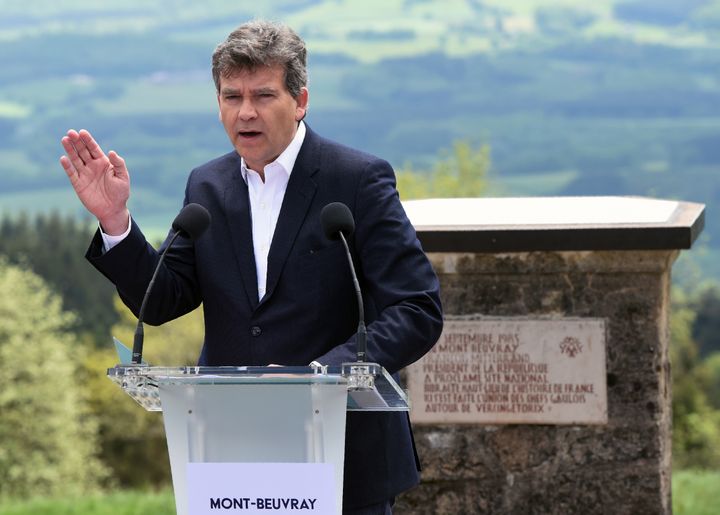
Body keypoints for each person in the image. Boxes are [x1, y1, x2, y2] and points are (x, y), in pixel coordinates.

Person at [60, 20, 442, 514]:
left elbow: (417, 309)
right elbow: (162, 300)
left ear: (300, 100)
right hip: (228, 455)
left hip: (342, 455)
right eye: (230, 96)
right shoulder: (207, 186)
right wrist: (115, 220)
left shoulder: (357, 180)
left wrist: (320, 378)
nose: (244, 112)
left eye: (263, 95)